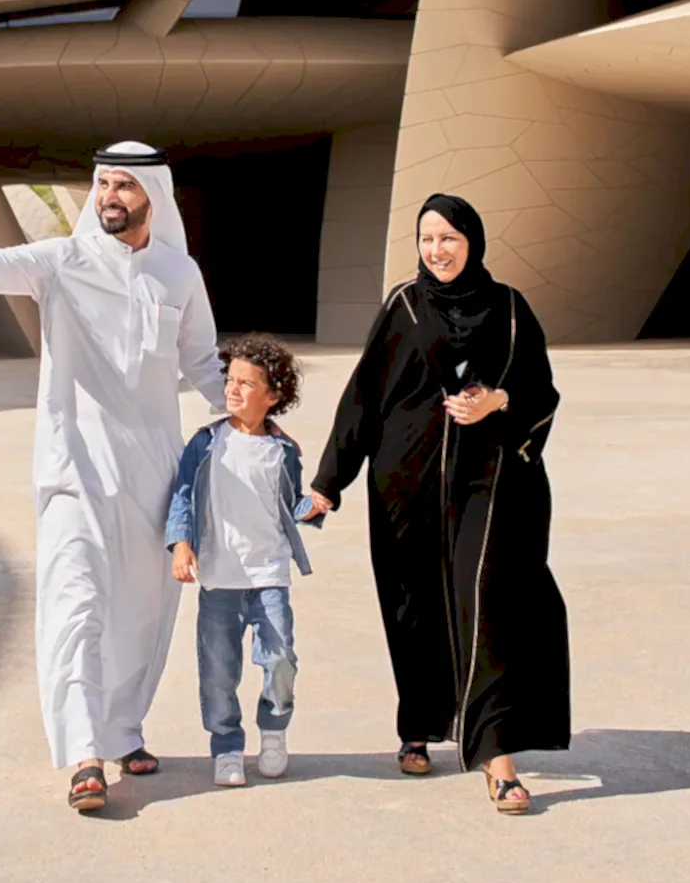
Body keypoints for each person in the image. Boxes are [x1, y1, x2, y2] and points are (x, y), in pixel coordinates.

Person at [0, 142, 226, 813]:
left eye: (122, 185)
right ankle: (85, 754)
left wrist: (253, 415)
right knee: (76, 600)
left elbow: (203, 362)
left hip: (153, 471)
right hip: (73, 467)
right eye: (102, 183)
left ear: (152, 195)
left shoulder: (179, 274)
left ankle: (122, 730)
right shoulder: (61, 259)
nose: (108, 195)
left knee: (142, 610)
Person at [305, 193, 569, 814]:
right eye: (427, 239)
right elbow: (364, 397)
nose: (437, 250)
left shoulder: (508, 308)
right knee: (413, 605)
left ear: (472, 240)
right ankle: (417, 724)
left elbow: (542, 389)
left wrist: (496, 401)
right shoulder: (405, 305)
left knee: (487, 603)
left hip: (490, 479)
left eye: (449, 238)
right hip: (406, 481)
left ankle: (496, 758)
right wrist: (327, 481)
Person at [163, 334, 319, 788]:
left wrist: (313, 507)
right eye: (229, 379)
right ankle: (227, 746)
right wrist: (181, 544)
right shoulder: (207, 442)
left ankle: (273, 733)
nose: (232, 389)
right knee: (217, 670)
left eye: (245, 383)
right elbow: (183, 495)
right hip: (219, 579)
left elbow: (289, 506)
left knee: (281, 659)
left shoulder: (283, 451)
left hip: (269, 575)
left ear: (273, 396)